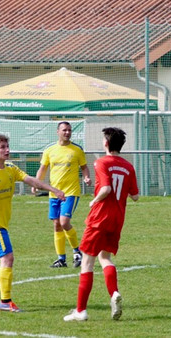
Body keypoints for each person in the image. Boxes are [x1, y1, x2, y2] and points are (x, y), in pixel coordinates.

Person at [0, 134, 64, 313]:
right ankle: (5, 301)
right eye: (3, 147)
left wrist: (52, 189)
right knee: (7, 257)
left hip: (0, 222)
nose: (7, 150)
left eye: (8, 146)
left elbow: (30, 180)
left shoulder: (10, 168)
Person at [64, 127, 139, 322]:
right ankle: (114, 293)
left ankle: (80, 311)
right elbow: (136, 196)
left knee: (87, 262)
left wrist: (94, 200)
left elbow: (105, 188)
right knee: (104, 256)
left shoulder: (101, 162)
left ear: (106, 143)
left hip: (99, 218)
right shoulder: (128, 166)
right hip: (117, 219)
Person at [33, 121, 91, 268]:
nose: (67, 132)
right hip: (54, 193)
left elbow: (84, 167)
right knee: (57, 225)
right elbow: (43, 168)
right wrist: (36, 183)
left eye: (69, 130)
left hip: (71, 192)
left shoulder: (77, 150)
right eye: (64, 130)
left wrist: (86, 177)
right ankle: (61, 259)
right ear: (57, 132)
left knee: (64, 222)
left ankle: (78, 252)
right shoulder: (50, 150)